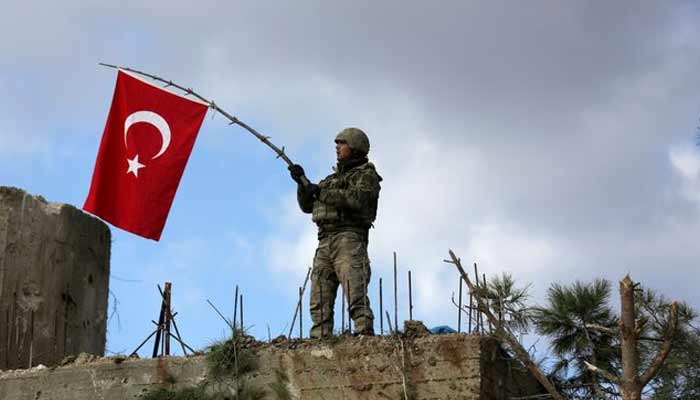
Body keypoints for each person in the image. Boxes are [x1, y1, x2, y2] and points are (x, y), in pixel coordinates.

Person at [289, 127, 382, 338]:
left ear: (355, 147)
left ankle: (363, 332)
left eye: (342, 144)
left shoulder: (366, 176)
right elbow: (307, 206)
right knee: (319, 293)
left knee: (354, 288)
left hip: (349, 238)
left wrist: (320, 191)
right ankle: (320, 337)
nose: (337, 148)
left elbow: (356, 200)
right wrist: (301, 184)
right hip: (324, 240)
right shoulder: (330, 179)